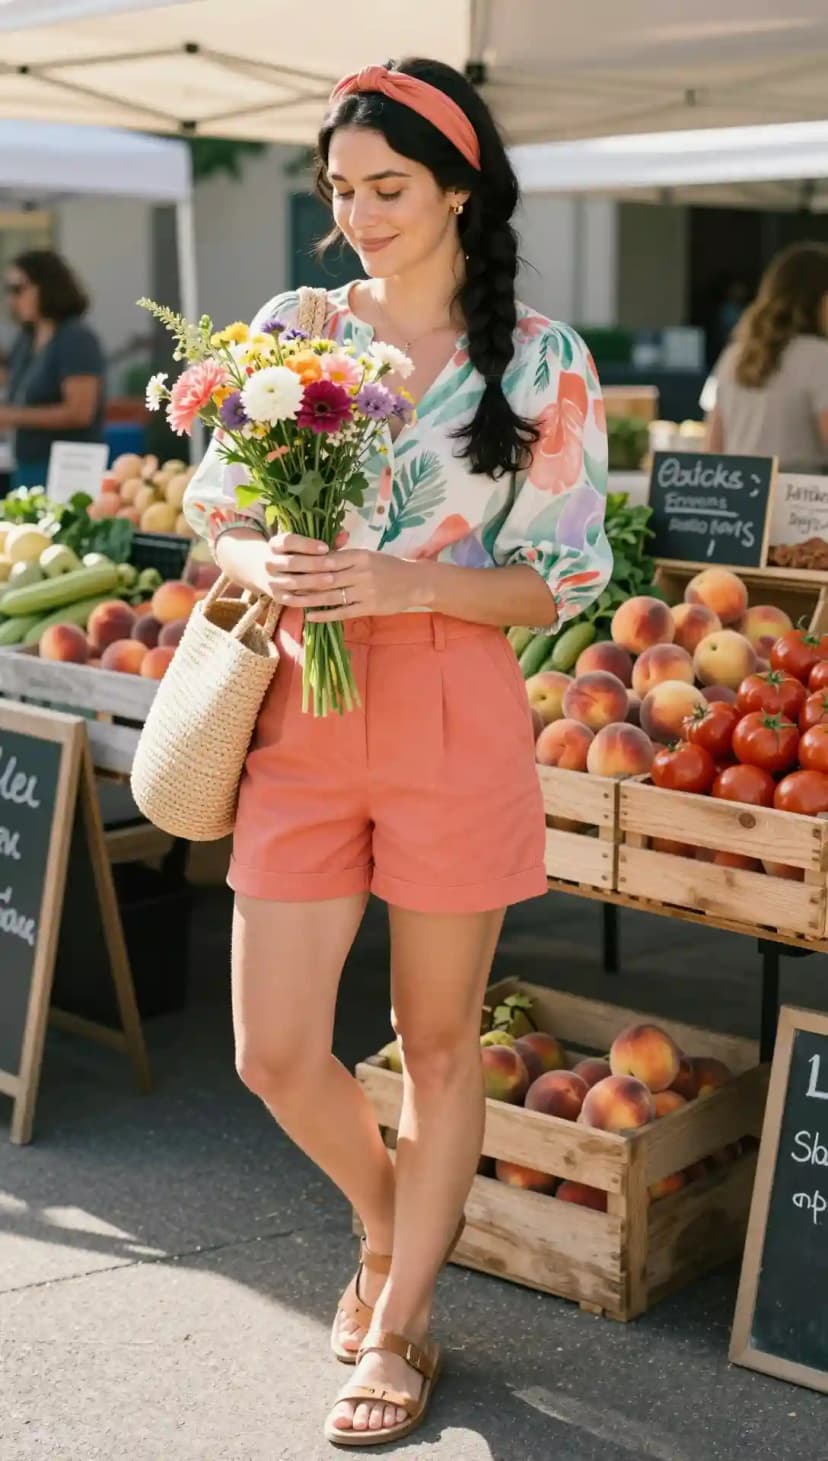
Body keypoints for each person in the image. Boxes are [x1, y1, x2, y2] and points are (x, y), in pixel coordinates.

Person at [183, 57, 610, 1448]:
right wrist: (256, 546)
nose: (358, 214)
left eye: (389, 188)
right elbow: (209, 494)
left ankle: (406, 1311)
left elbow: (567, 579)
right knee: (273, 1050)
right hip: (301, 705)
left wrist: (411, 586)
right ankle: (384, 1219)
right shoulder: (295, 325)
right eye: (340, 189)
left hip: (453, 702)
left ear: (460, 190)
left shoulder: (542, 360)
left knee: (436, 1042)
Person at [703, 243, 828, 472]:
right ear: (820, 299)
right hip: (800, 497)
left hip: (736, 495)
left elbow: (713, 448)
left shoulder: (734, 354)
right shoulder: (820, 357)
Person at [0, 250, 105, 490]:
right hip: (27, 464)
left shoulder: (75, 338)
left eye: (18, 289)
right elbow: (12, 378)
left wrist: (10, 416)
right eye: (8, 291)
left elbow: (80, 412)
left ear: (45, 286)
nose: (11, 300)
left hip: (68, 470)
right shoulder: (27, 338)